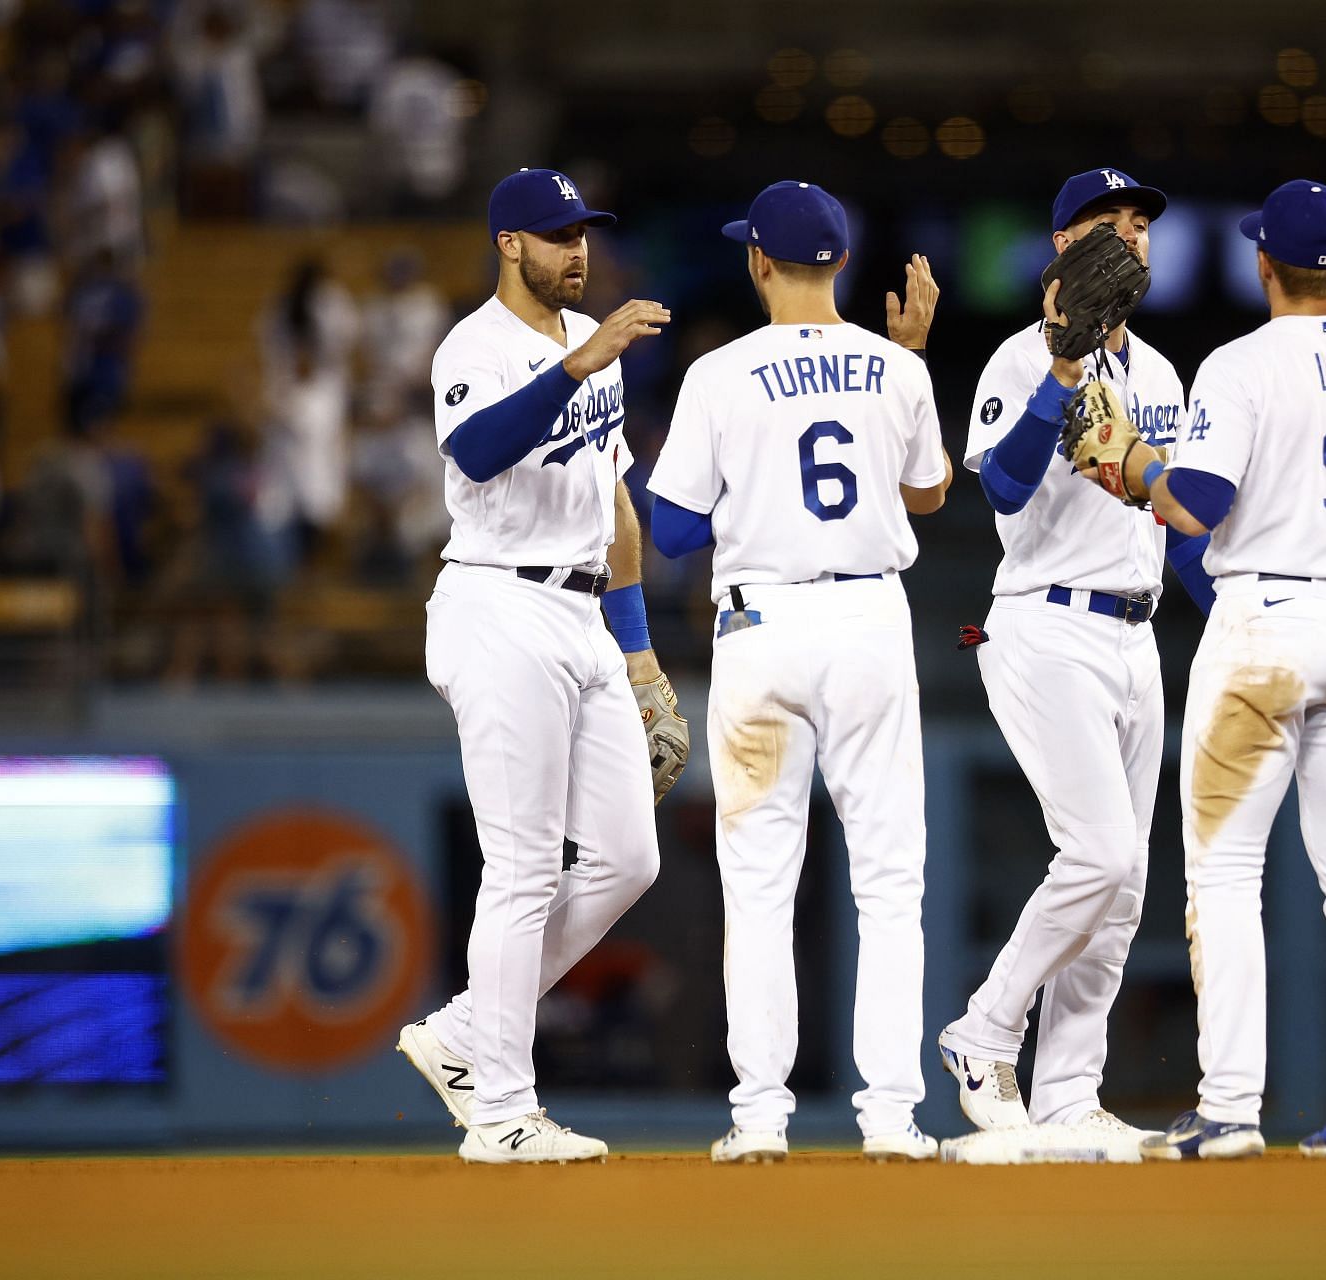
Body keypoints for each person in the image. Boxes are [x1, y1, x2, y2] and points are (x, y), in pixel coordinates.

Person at [1071, 179, 1326, 1159]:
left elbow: (1195, 503)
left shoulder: (1240, 363)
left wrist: (1131, 466)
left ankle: (1228, 1110)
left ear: (1264, 263)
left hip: (1267, 623)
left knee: (1223, 871)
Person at [648, 180, 953, 1163]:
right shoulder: (895, 365)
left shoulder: (721, 373)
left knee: (760, 883)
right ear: (844, 263)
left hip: (762, 625)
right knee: (891, 882)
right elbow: (931, 491)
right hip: (867, 617)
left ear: (757, 260)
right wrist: (901, 371)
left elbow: (673, 528)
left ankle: (760, 1116)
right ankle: (894, 1118)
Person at [393, 168, 690, 1164]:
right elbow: (475, 451)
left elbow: (617, 509)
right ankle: (503, 1110)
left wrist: (642, 653)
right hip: (496, 599)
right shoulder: (474, 344)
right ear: (510, 244)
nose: (580, 249)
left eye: (586, 232)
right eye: (559, 234)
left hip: (583, 614)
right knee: (521, 865)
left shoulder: (590, 348)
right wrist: (576, 366)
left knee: (628, 857)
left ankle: (470, 1031)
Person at [937, 168, 1211, 1161]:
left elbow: (1179, 533)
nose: (1134, 236)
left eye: (1143, 221)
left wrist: (1229, 625)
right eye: (1112, 223)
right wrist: (1060, 369)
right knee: (1097, 853)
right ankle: (983, 1031)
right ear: (1062, 246)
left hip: (1136, 635)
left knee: (1125, 883)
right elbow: (1005, 491)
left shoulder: (1163, 372)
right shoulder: (1018, 358)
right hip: (1044, 627)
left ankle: (1066, 1095)